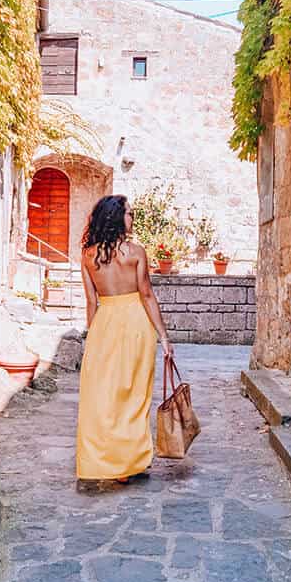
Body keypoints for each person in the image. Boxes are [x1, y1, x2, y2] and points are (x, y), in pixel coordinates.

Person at [76, 194, 174, 483]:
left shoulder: (87, 255)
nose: (132, 218)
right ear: (118, 218)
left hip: (104, 323)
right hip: (135, 323)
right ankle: (127, 461)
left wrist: (93, 337)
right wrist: (164, 337)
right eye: (130, 213)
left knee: (103, 394)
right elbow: (146, 295)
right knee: (133, 394)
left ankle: (105, 460)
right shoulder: (135, 252)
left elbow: (91, 302)